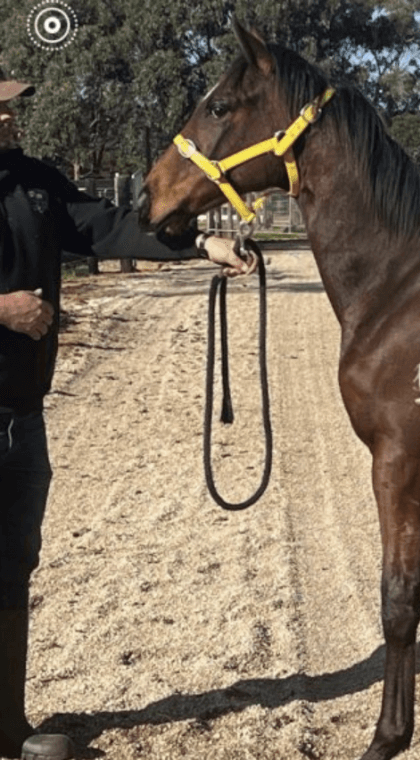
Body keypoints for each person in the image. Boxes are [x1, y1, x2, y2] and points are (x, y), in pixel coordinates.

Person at [0, 70, 255, 760]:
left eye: (10, 109)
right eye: (0, 109)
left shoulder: (32, 181)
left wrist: (201, 245)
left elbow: (107, 227)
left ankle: (6, 724)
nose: (10, 119)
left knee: (13, 560)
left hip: (22, 411)